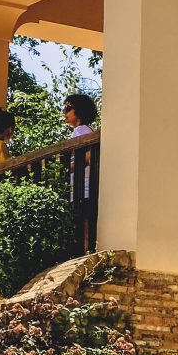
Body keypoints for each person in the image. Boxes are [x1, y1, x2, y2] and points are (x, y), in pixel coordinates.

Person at [62, 92, 99, 251]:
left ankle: (83, 251)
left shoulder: (81, 131)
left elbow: (87, 158)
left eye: (68, 109)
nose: (64, 112)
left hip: (83, 185)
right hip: (83, 184)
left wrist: (67, 167)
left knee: (82, 220)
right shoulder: (86, 130)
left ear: (79, 112)